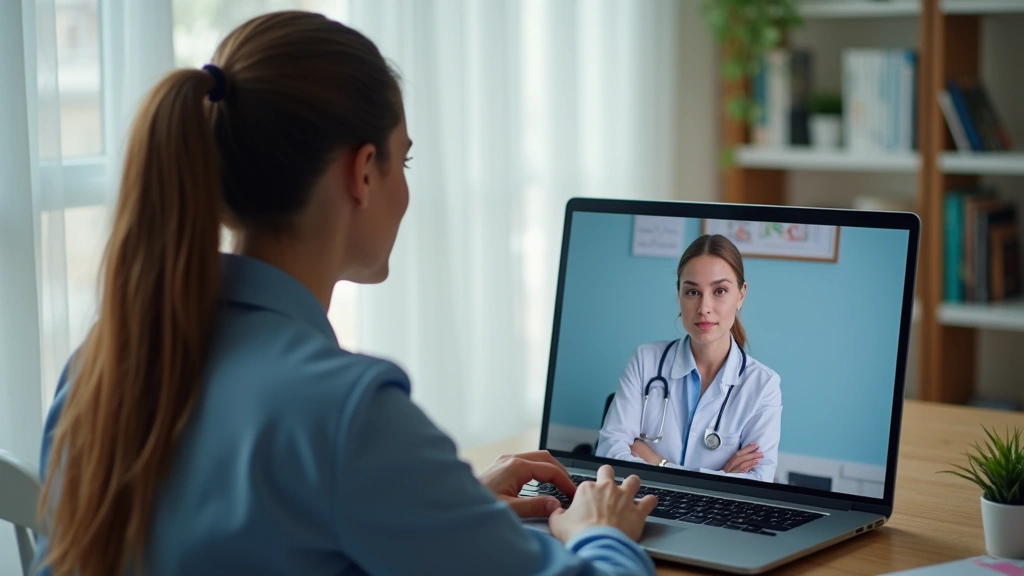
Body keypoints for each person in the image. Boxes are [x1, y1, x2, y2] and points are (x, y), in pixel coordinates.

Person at [32, 11, 659, 576]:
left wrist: (438, 498)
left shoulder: (103, 363)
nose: (406, 191)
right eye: (402, 162)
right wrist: (602, 533)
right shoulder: (350, 414)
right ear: (361, 173)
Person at [596, 233, 782, 483]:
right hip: (639, 506)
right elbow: (609, 456)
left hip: (717, 518)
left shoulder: (763, 385)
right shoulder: (645, 360)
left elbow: (757, 482)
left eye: (720, 291)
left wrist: (656, 462)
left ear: (741, 294)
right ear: (679, 295)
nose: (704, 307)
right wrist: (721, 477)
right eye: (693, 292)